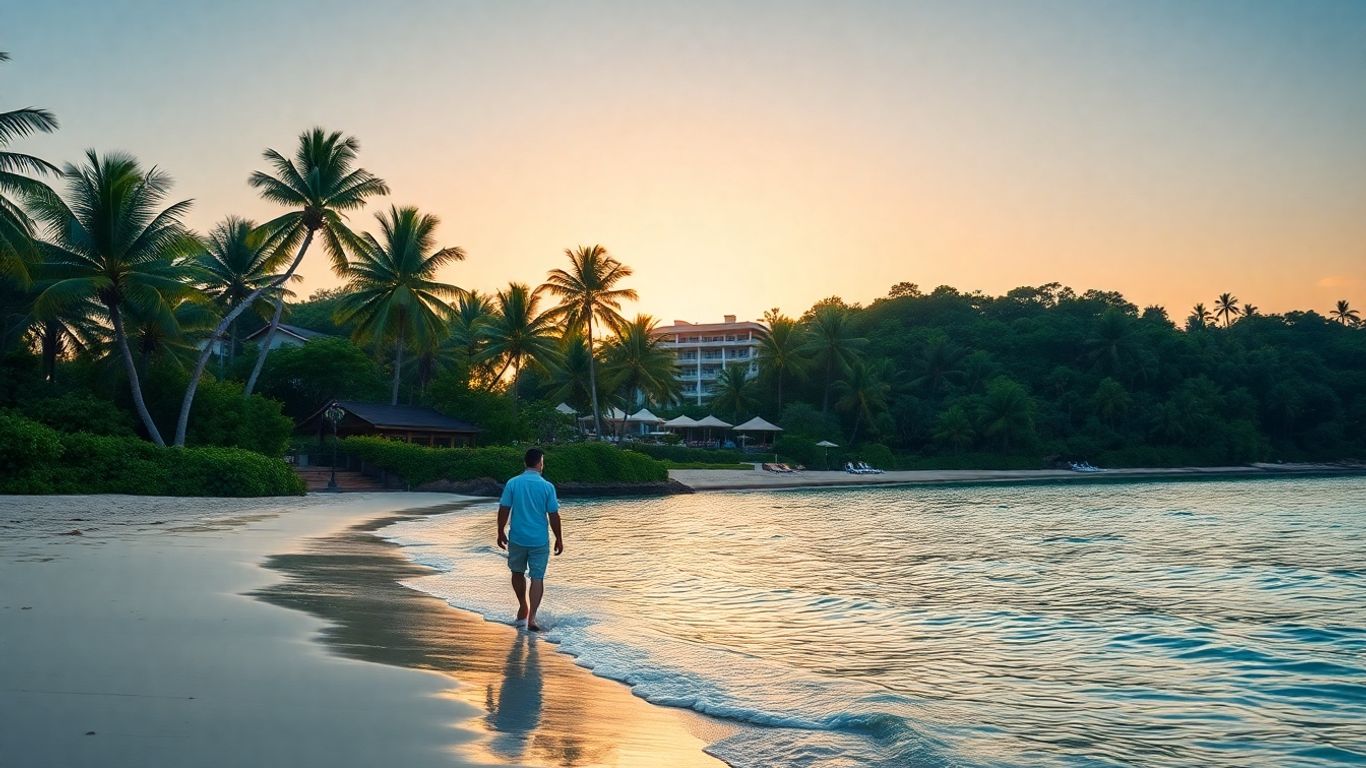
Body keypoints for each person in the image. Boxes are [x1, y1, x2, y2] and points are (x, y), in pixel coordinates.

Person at [496, 447, 564, 632]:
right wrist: (559, 538)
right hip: (539, 540)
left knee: (517, 572)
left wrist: (500, 531)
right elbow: (553, 515)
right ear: (540, 463)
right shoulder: (547, 486)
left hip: (517, 537)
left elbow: (504, 509)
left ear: (525, 463)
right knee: (537, 577)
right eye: (543, 461)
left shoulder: (513, 483)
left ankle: (523, 606)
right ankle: (532, 617)